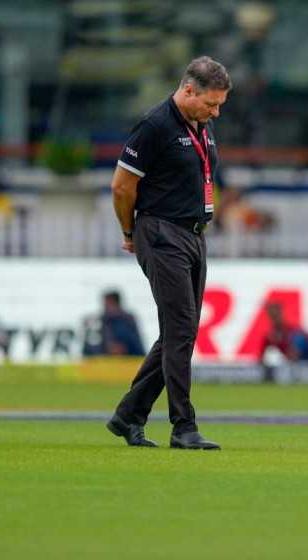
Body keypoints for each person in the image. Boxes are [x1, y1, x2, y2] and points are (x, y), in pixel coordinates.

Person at [106, 56, 229, 450]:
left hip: (193, 235)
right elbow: (122, 187)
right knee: (180, 330)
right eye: (211, 103)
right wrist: (130, 233)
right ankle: (183, 426)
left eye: (220, 105)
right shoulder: (155, 125)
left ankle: (129, 416)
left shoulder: (201, 126)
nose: (216, 112)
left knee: (181, 332)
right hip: (161, 232)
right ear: (188, 89)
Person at [83, 290, 145, 357]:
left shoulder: (127, 320)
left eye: (108, 304)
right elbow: (88, 350)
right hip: (103, 362)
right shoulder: (99, 322)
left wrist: (123, 348)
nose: (106, 308)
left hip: (127, 361)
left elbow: (137, 347)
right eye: (105, 305)